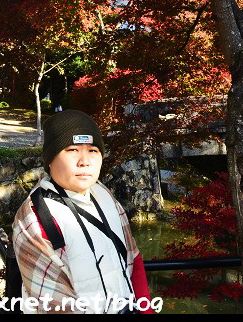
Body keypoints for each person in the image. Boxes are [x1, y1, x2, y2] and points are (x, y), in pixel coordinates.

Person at [12, 109, 153, 314]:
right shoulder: (36, 218)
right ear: (50, 159)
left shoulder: (104, 195)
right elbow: (53, 305)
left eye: (93, 151)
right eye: (72, 150)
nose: (84, 161)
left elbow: (133, 259)